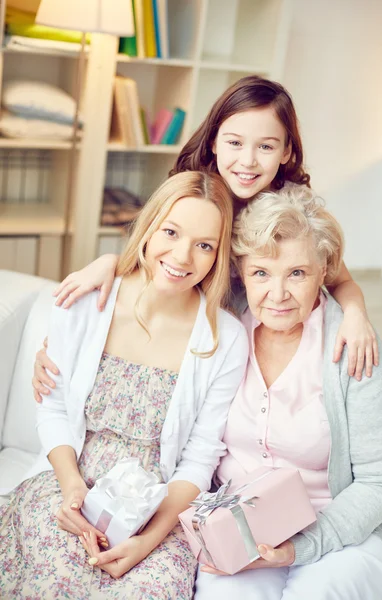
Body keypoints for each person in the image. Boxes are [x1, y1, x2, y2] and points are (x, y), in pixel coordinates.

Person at [32, 77, 378, 393]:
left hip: (266, 338)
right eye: (235, 142)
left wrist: (357, 315)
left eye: (266, 147)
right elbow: (157, 266)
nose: (248, 161)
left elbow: (341, 282)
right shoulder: (195, 196)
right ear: (214, 141)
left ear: (287, 151)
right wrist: (110, 264)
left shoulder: (295, 214)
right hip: (201, 340)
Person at [0, 172, 249, 600]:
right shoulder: (85, 301)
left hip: (159, 511)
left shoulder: (225, 338)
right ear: (150, 227)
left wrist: (146, 540)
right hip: (68, 486)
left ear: (218, 255)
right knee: (57, 585)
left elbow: (199, 457)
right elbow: (53, 407)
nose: (182, 255)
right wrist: (72, 488)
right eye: (171, 232)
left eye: (204, 245)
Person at [193, 184, 382, 600]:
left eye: (297, 273)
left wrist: (300, 548)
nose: (278, 294)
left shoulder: (353, 343)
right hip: (240, 529)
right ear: (241, 273)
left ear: (325, 270)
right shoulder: (224, 329)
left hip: (344, 532)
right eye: (261, 273)